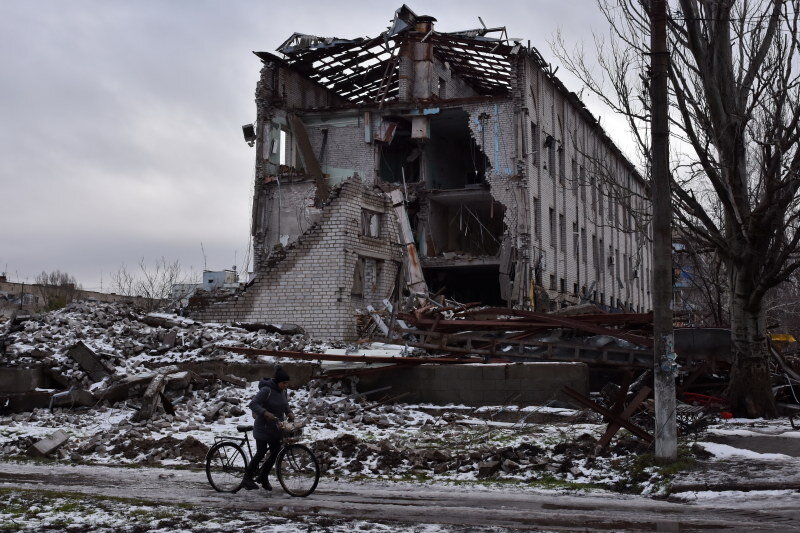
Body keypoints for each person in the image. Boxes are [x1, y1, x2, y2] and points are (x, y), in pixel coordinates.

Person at [242, 366, 293, 491]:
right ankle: (246, 479)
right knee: (261, 451)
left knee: (275, 451)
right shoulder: (266, 390)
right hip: (263, 428)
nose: (286, 385)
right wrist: (265, 413)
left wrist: (289, 413)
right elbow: (253, 404)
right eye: (284, 383)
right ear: (278, 382)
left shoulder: (283, 392)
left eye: (287, 383)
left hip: (276, 428)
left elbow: (285, 405)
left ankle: (263, 476)